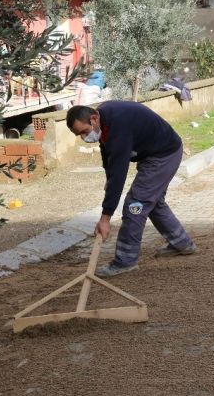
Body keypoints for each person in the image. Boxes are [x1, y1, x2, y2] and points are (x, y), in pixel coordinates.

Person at [66, 101, 197, 277]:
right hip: (157, 152)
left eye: (84, 131)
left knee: (135, 205)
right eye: (79, 135)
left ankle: (125, 261)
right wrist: (108, 177)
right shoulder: (105, 119)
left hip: (163, 156)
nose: (83, 137)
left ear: (93, 118)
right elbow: (107, 151)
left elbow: (119, 173)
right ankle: (182, 243)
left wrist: (105, 218)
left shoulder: (118, 126)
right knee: (152, 203)